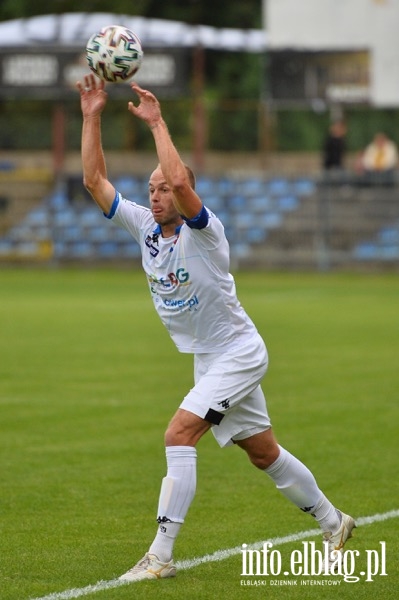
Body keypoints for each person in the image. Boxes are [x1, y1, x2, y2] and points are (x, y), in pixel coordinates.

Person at [77, 74, 356, 582]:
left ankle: (160, 556)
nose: (157, 195)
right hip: (209, 356)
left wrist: (158, 122)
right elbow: (95, 182)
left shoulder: (207, 234)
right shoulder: (144, 228)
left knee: (179, 433)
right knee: (263, 453)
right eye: (152, 189)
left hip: (237, 351)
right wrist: (92, 114)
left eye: (163, 188)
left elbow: (183, 182)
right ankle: (334, 522)